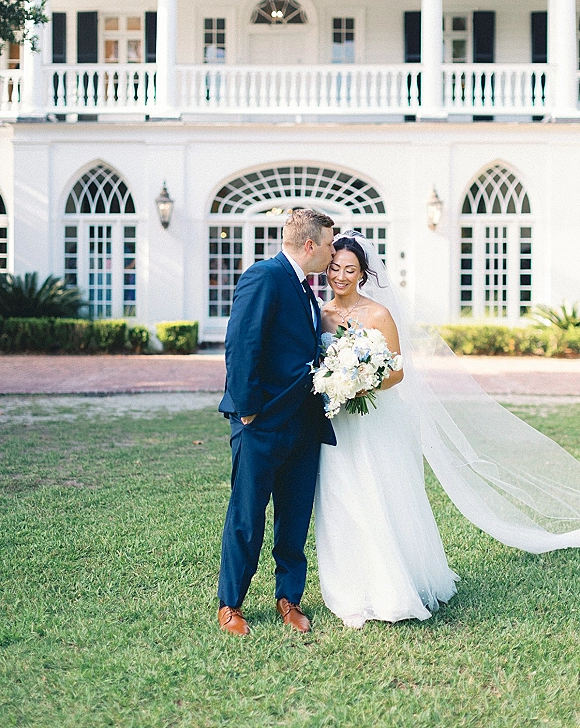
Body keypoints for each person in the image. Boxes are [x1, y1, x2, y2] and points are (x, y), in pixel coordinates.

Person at [315, 231, 580, 629]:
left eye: (350, 269)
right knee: (342, 500)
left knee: (381, 496)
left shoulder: (378, 315)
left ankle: (393, 588)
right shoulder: (320, 314)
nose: (340, 275)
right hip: (338, 424)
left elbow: (397, 372)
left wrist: (358, 382)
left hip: (375, 421)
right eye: (335, 268)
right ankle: (351, 591)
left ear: (363, 273)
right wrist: (335, 383)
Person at [217, 208, 336, 636]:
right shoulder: (264, 276)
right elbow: (242, 341)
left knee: (294, 515)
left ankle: (289, 598)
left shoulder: (307, 290)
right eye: (328, 244)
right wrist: (247, 408)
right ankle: (230, 604)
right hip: (262, 421)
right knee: (247, 515)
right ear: (309, 245)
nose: (331, 251)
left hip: (304, 421)